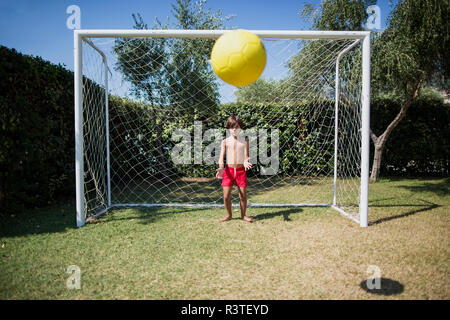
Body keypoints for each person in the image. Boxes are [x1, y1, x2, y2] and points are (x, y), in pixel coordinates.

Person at [215, 115, 253, 222]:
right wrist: (221, 168)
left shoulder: (244, 141)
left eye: (237, 127)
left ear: (240, 128)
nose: (234, 129)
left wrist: (246, 162)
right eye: (232, 127)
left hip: (240, 171)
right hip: (228, 171)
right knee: (226, 196)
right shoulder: (225, 141)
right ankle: (229, 215)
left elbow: (246, 156)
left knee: (243, 196)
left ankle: (243, 215)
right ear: (228, 128)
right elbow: (221, 157)